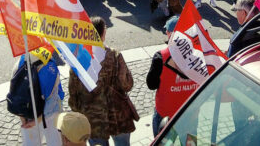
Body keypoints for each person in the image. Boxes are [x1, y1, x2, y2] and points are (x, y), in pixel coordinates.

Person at [68, 17, 136, 146]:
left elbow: (73, 97)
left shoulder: (78, 61)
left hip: (93, 120)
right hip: (118, 116)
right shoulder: (115, 56)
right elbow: (127, 85)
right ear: (103, 33)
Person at [146, 16, 199, 137]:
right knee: (190, 143)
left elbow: (151, 84)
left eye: (167, 30)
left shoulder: (161, 56)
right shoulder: (200, 55)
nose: (165, 32)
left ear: (171, 34)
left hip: (166, 115)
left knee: (162, 141)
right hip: (191, 114)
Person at [13, 46, 65, 146]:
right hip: (50, 117)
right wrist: (39, 119)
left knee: (31, 143)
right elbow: (53, 98)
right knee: (55, 141)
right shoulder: (50, 66)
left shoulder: (19, 64)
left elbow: (15, 94)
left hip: (28, 116)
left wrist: (23, 117)